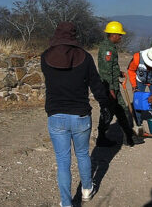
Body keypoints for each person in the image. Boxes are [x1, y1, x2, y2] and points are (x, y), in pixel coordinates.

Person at [41, 22, 112, 207]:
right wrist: (105, 105)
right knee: (82, 154)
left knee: (63, 161)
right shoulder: (85, 57)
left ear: (56, 34)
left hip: (56, 116)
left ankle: (66, 203)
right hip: (80, 115)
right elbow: (96, 84)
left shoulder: (45, 57)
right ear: (74, 36)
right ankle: (87, 190)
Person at [96, 21, 144, 147]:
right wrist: (111, 90)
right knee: (108, 113)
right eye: (120, 35)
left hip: (113, 87)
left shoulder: (111, 47)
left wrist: (119, 73)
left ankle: (128, 137)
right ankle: (101, 138)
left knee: (122, 110)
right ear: (113, 35)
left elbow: (111, 67)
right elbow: (105, 72)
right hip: (109, 88)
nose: (121, 37)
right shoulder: (107, 49)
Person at [127, 46, 152, 125]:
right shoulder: (137, 58)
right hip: (140, 80)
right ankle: (138, 122)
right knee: (138, 100)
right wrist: (134, 85)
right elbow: (131, 70)